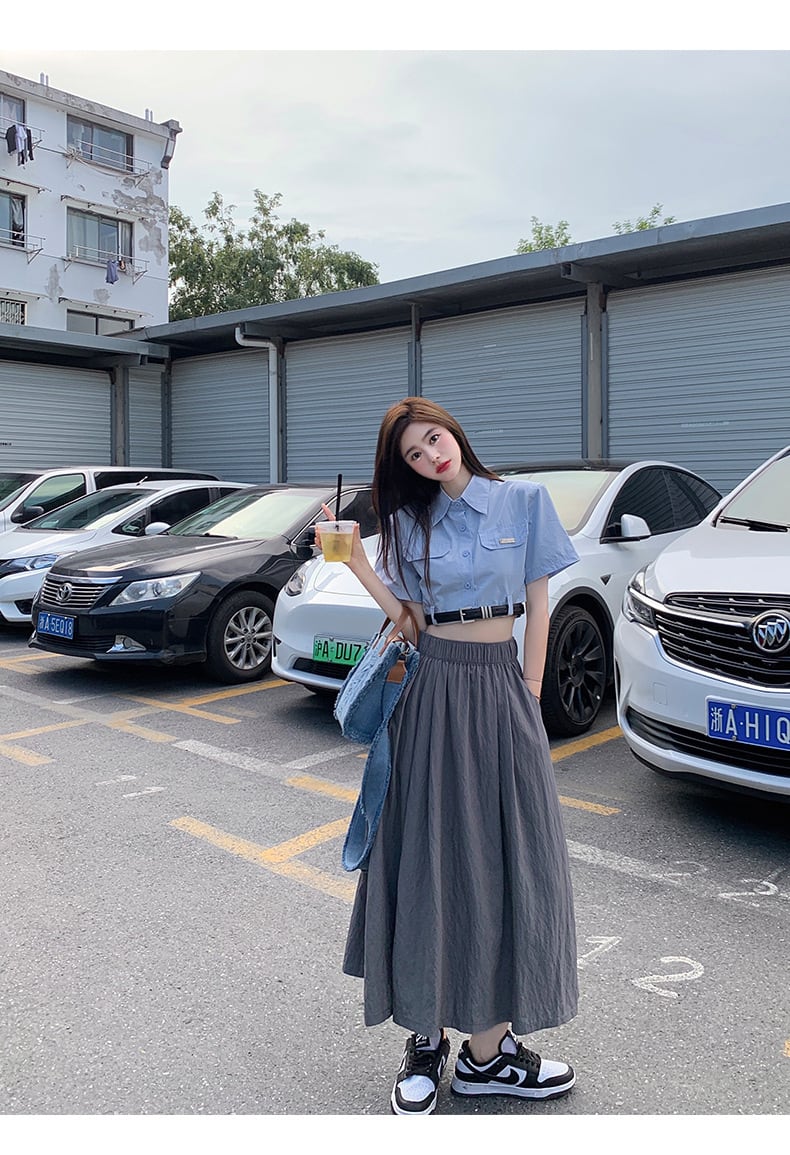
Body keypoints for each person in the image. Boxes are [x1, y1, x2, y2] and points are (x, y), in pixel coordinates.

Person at [322, 397, 580, 1116]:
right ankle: (424, 1037)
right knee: (425, 855)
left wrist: (531, 696)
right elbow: (406, 620)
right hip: (431, 686)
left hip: (501, 686)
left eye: (433, 439)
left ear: (454, 432)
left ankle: (487, 1054)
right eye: (413, 453)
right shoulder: (410, 523)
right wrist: (354, 560)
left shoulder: (523, 502)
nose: (430, 456)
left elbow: (540, 605)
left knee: (506, 858)